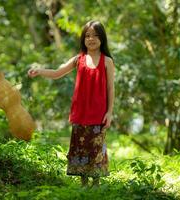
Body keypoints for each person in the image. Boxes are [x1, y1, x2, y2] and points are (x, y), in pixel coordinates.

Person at [28, 20, 115, 187]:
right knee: (80, 146)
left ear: (102, 38)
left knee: (96, 147)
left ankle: (96, 184)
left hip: (98, 114)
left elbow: (111, 89)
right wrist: (39, 71)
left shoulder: (107, 61)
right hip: (80, 113)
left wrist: (109, 112)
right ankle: (83, 183)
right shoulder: (78, 59)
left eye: (96, 35)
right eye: (87, 35)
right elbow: (57, 72)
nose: (91, 39)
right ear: (83, 39)